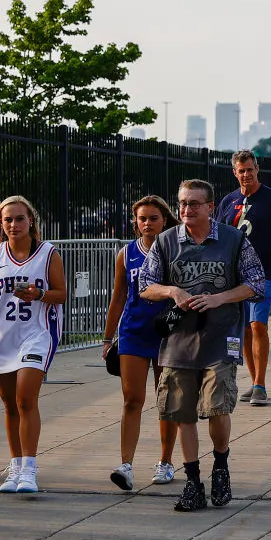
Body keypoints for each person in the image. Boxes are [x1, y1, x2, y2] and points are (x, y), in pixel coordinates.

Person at [139, 179, 265, 512]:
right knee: (182, 413)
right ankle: (193, 481)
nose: (186, 210)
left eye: (194, 204)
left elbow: (255, 283)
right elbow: (145, 285)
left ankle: (220, 466)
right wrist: (173, 292)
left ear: (210, 207)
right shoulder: (166, 242)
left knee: (218, 407)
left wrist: (219, 298)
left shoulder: (234, 240)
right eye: (182, 203)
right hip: (178, 341)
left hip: (222, 338)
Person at [0, 196, 66, 494]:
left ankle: (30, 469)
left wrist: (39, 294)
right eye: (7, 220)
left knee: (25, 400)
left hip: (36, 333)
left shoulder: (48, 254)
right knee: (9, 405)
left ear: (30, 220)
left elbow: (61, 294)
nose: (13, 224)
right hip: (2, 336)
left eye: (19, 219)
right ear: (0, 224)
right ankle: (16, 466)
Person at [103, 195, 179, 490]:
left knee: (167, 400)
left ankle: (166, 462)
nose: (147, 223)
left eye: (153, 218)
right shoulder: (126, 253)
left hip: (167, 333)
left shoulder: (175, 250)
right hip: (133, 332)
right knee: (132, 400)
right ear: (135, 222)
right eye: (142, 218)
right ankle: (126, 465)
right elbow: (118, 296)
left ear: (164, 220)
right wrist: (108, 338)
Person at [215, 149, 271, 406]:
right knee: (244, 329)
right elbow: (219, 234)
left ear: (257, 169)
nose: (246, 175)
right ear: (234, 172)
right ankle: (253, 381)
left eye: (250, 169)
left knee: (258, 324)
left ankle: (260, 383)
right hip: (234, 275)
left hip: (264, 273)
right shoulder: (228, 201)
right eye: (242, 170)